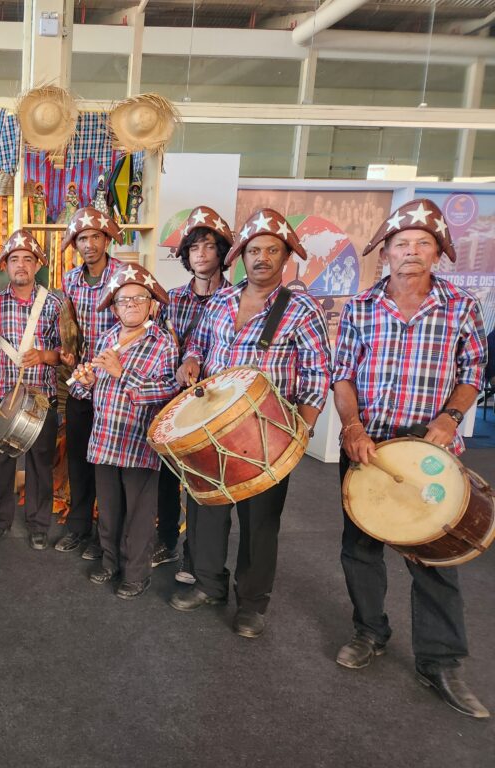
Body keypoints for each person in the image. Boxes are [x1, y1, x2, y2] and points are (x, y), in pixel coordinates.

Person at [332, 198, 489, 719]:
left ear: (439, 251)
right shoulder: (360, 307)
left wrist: (450, 418)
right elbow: (344, 376)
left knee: (435, 557)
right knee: (360, 549)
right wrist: (351, 426)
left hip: (430, 449)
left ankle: (440, 662)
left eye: (423, 244)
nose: (411, 253)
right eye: (402, 244)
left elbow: (472, 374)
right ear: (387, 253)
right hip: (370, 446)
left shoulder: (462, 307)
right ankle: (369, 632)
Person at [170, 208, 331, 639]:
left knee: (260, 522)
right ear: (242, 255)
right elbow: (200, 343)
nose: (261, 258)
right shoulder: (222, 300)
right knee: (207, 508)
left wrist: (305, 426)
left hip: (269, 431)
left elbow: (318, 372)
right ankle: (208, 584)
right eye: (254, 250)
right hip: (214, 424)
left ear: (285, 257)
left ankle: (253, 604)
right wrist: (190, 360)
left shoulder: (301, 309)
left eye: (271, 250)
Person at [69, 263, 178, 599]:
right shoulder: (105, 338)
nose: (130, 305)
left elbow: (168, 391)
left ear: (151, 304)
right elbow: (85, 390)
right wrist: (85, 383)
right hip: (104, 438)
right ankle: (110, 561)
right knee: (110, 507)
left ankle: (136, 573)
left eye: (138, 299)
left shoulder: (163, 343)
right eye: (123, 300)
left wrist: (121, 375)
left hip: (138, 443)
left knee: (139, 514)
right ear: (114, 307)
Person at [155, 206, 233, 583]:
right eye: (193, 249)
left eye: (208, 247)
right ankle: (166, 539)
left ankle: (196, 556)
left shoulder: (237, 299)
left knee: (206, 482)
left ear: (222, 252)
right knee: (168, 476)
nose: (201, 255)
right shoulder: (171, 300)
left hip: (218, 404)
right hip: (173, 397)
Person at [0, 229, 65, 550]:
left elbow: (64, 354)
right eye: (14, 259)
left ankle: (38, 523)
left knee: (41, 463)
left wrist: (43, 355)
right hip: (3, 391)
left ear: (37, 264)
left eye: (27, 260)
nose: (21, 266)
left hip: (41, 395)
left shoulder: (54, 303)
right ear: (5, 266)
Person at [56, 206, 124, 559]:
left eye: (96, 236)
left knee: (109, 464)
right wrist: (69, 354)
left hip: (115, 382)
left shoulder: (126, 275)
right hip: (83, 381)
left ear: (107, 238)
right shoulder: (69, 280)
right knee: (79, 458)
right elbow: (70, 331)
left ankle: (106, 535)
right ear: (75, 244)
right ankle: (78, 526)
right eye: (82, 238)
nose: (90, 244)